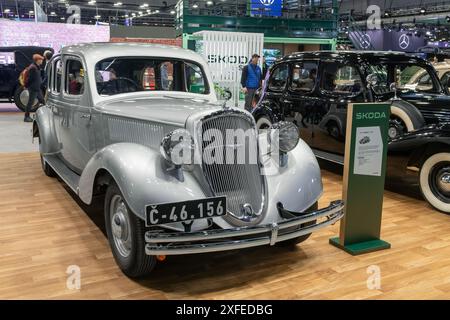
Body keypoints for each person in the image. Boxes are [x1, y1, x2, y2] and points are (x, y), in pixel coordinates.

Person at [23, 54, 45, 123]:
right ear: (37, 60)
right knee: (30, 103)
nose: (42, 61)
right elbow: (30, 79)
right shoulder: (33, 68)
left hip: (37, 88)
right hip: (33, 88)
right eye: (41, 60)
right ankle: (26, 117)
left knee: (42, 101)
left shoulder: (36, 67)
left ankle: (42, 115)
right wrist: (26, 86)